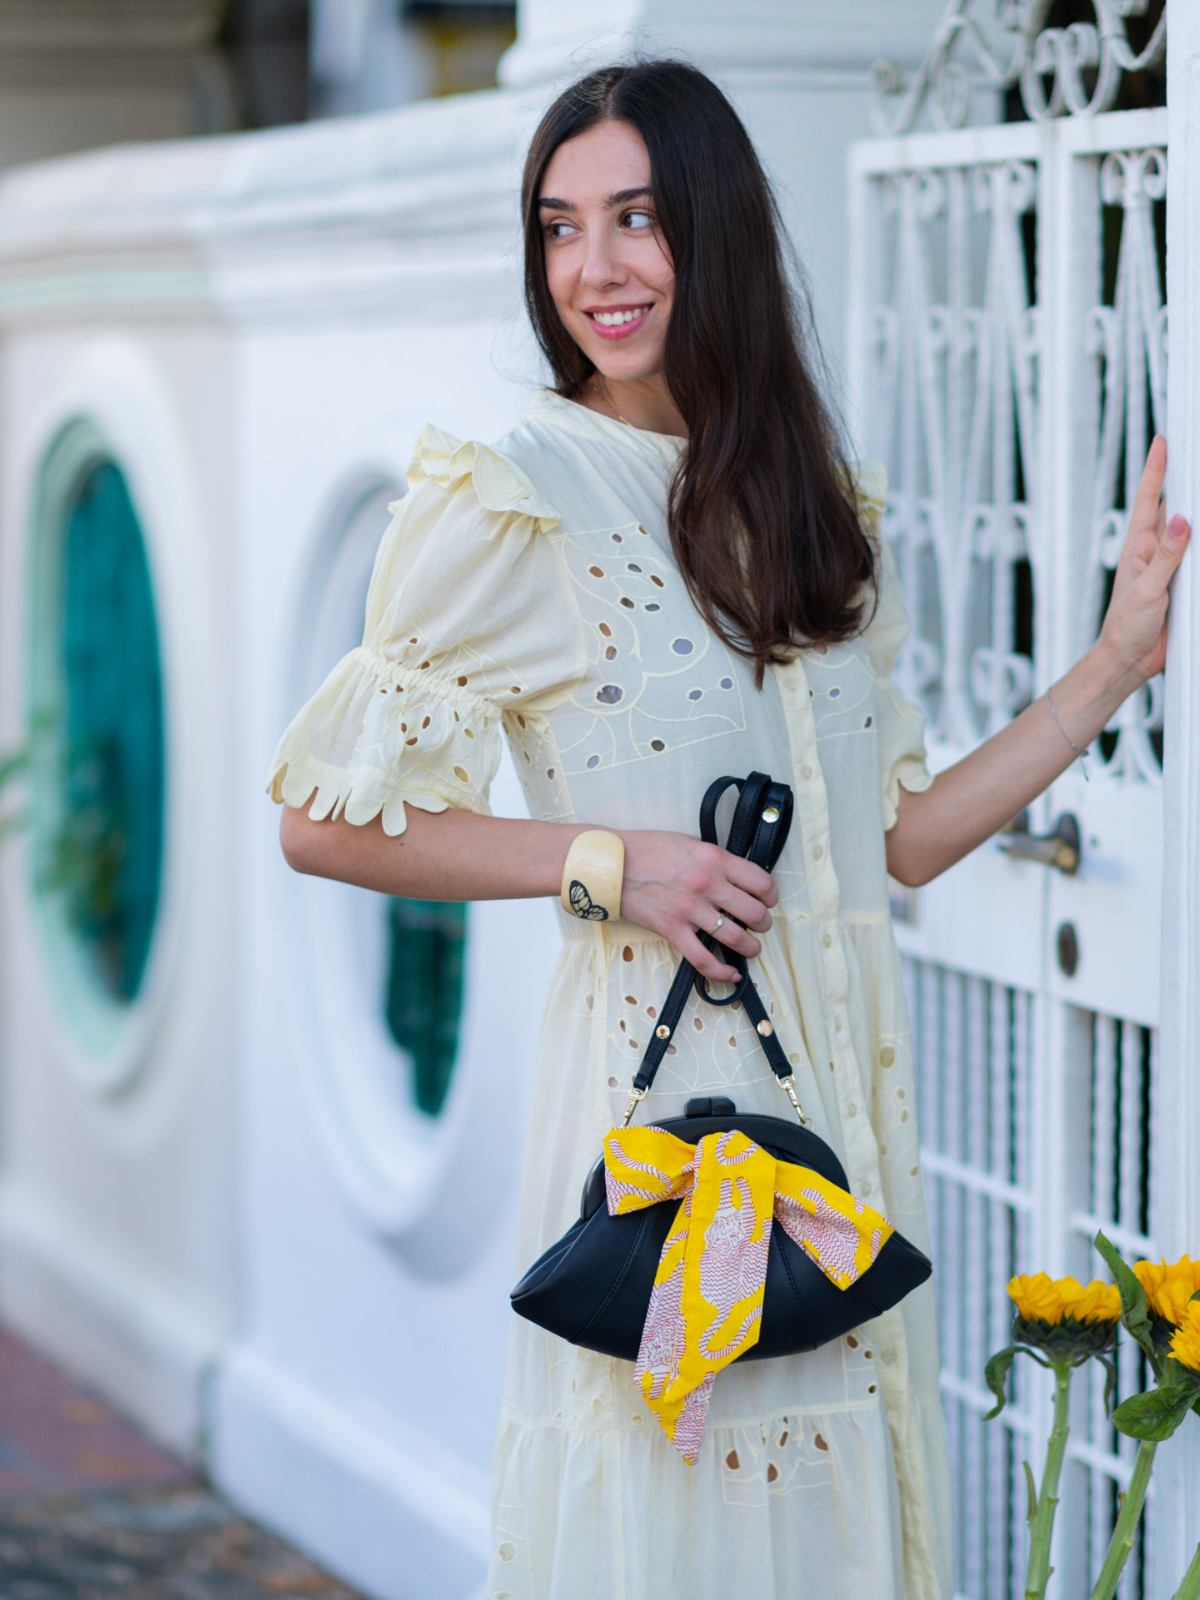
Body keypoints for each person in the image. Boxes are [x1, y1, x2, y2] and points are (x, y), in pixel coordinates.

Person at [265, 56, 1189, 1600]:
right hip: (673, 1156)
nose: (595, 270)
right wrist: (612, 869)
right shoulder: (521, 493)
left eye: (636, 217)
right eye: (559, 228)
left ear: (718, 229)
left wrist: (1112, 665)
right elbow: (323, 824)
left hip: (836, 1135)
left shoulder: (820, 506)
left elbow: (894, 842)